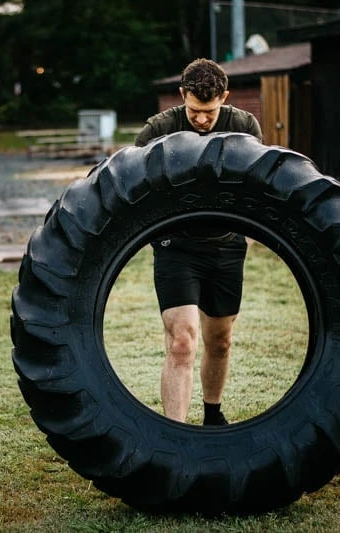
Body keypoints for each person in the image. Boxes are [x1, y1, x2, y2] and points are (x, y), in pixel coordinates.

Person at [134, 58, 263, 426]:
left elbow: (257, 187)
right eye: (194, 110)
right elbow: (131, 188)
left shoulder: (243, 126)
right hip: (177, 247)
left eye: (209, 111)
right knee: (182, 342)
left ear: (224, 97)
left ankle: (212, 416)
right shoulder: (159, 129)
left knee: (219, 340)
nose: (202, 120)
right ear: (182, 96)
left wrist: (248, 235)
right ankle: (175, 431)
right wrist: (155, 238)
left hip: (226, 246)